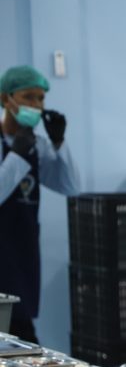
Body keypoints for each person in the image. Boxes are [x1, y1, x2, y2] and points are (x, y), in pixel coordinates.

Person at [0, 65, 79, 344]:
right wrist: (17, 155)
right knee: (19, 341)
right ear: (5, 99)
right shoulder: (18, 146)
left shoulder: (38, 146)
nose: (37, 105)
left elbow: (69, 186)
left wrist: (59, 144)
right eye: (29, 97)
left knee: (19, 330)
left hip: (22, 253)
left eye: (41, 98)